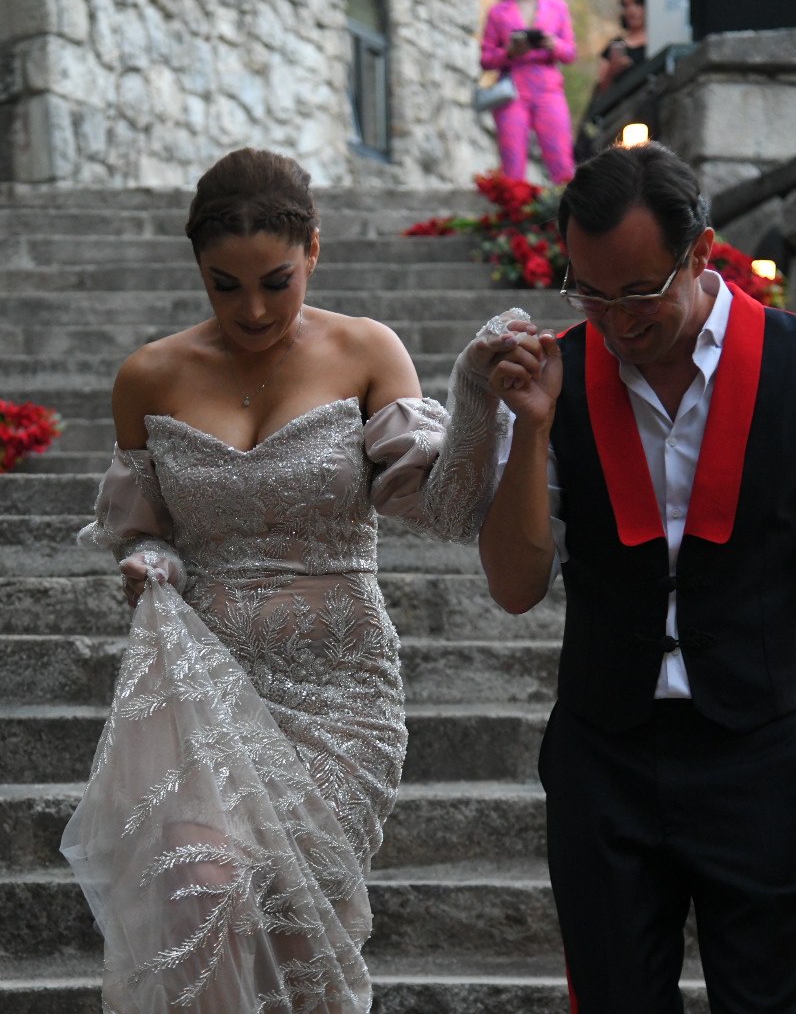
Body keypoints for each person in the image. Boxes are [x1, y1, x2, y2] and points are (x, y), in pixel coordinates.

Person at [63, 147, 521, 1013]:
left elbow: (452, 512)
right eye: (223, 285)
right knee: (198, 885)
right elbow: (145, 531)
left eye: (276, 279)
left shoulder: (365, 350)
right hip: (208, 689)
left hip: (342, 696)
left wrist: (475, 394)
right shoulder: (149, 376)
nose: (254, 308)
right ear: (197, 269)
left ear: (315, 249)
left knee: (296, 927)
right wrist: (150, 561)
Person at [477, 142, 796, 1013]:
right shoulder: (556, 378)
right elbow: (514, 585)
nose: (616, 320)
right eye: (590, 293)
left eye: (640, 291)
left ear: (700, 251)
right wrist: (529, 431)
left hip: (758, 754)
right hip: (601, 755)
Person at [480, 0, 577, 184]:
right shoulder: (498, 12)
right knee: (512, 163)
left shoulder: (557, 7)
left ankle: (565, 217)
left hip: (548, 89)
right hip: (512, 91)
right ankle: (514, 219)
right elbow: (486, 59)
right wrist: (510, 52)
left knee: (561, 159)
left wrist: (554, 45)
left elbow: (570, 54)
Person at [593, 0, 647, 99]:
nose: (631, 10)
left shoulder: (658, 42)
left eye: (637, 4)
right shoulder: (615, 46)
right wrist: (612, 71)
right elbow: (601, 91)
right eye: (626, 5)